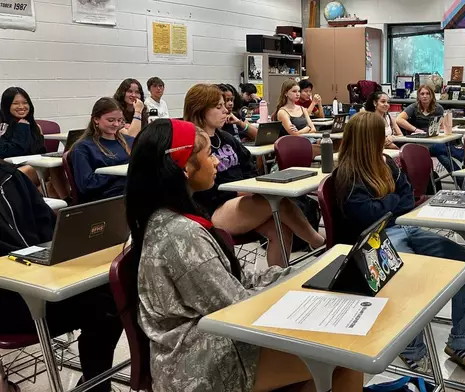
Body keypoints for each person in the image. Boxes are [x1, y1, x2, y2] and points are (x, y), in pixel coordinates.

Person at [126, 119, 362, 392]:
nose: (216, 162)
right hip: (197, 361)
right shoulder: (180, 234)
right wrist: (299, 292)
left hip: (207, 340)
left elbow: (234, 279)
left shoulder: (171, 217)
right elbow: (237, 309)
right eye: (209, 155)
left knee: (329, 352)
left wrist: (300, 273)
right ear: (185, 168)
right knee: (346, 356)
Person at [334, 111, 465, 374]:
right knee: (406, 276)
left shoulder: (386, 163)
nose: (387, 137)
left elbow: (408, 196)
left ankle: (462, 342)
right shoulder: (347, 175)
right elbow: (369, 216)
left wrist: (388, 204)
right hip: (374, 240)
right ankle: (411, 348)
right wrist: (392, 203)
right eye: (381, 133)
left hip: (402, 227)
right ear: (368, 139)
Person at [0, 160, 123, 392]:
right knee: (103, 302)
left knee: (113, 295)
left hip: (41, 280)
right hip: (7, 299)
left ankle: (95, 381)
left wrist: (62, 248)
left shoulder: (11, 177)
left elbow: (50, 226)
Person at [184, 84, 325, 267]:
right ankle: (318, 243)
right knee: (275, 201)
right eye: (218, 107)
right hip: (215, 207)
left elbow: (249, 165)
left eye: (224, 105)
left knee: (281, 229)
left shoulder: (226, 138)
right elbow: (202, 189)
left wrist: (249, 187)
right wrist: (242, 192)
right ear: (200, 110)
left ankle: (278, 280)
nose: (225, 110)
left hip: (242, 198)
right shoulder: (195, 146)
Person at [0, 87, 70, 199]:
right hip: (9, 171)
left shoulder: (36, 127)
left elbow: (41, 152)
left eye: (25, 103)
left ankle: (67, 204)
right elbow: (11, 152)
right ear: (6, 106)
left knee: (52, 183)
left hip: (34, 168)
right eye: (15, 103)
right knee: (31, 173)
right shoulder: (2, 127)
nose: (21, 107)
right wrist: (22, 128)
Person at [69, 97, 135, 203]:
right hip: (106, 200)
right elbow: (86, 185)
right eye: (111, 120)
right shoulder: (83, 148)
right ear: (96, 119)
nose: (117, 124)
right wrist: (116, 173)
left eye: (120, 120)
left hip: (132, 192)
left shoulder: (131, 142)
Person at [395, 84, 464, 173]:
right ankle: (460, 155)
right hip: (419, 142)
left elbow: (442, 127)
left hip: (433, 140)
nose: (425, 96)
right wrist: (415, 129)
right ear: (419, 96)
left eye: (427, 94)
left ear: (432, 96)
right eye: (422, 94)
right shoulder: (414, 107)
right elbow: (399, 119)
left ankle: (463, 180)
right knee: (440, 148)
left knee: (442, 155)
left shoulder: (438, 108)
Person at [273, 80, 320, 158]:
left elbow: (313, 129)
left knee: (328, 145)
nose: (297, 94)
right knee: (324, 149)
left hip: (309, 141)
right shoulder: (283, 112)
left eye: (298, 91)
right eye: (294, 91)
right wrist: (308, 128)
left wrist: (302, 131)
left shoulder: (302, 109)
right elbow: (294, 134)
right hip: (294, 145)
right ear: (286, 93)